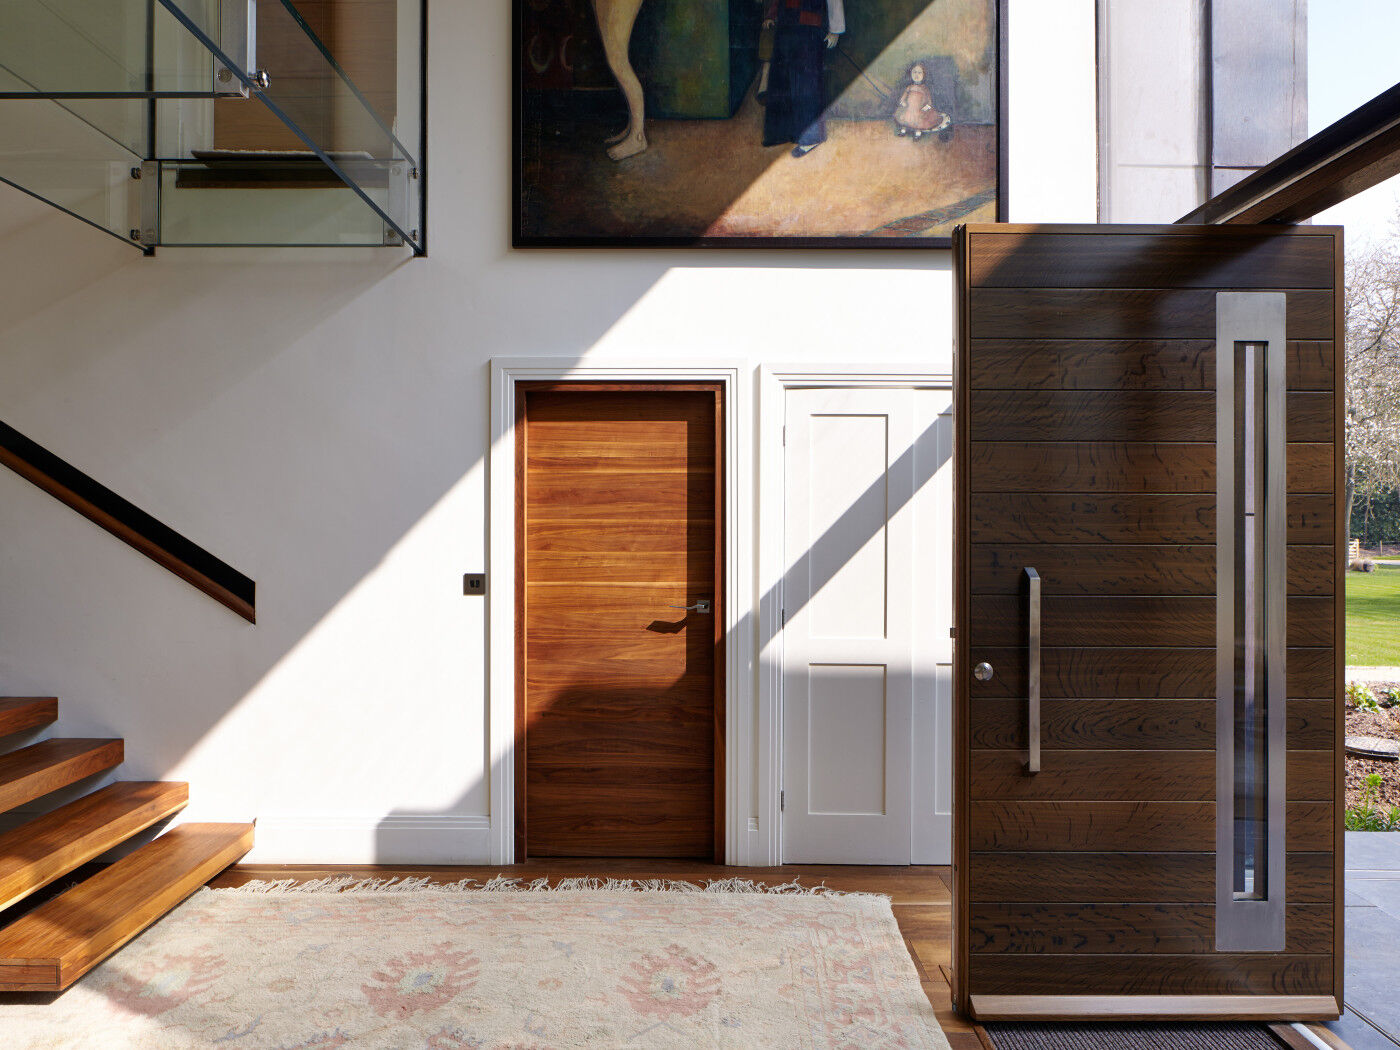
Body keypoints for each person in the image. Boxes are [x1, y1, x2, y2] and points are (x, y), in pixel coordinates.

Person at [761, 0, 845, 157]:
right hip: (786, 25)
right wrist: (771, 14)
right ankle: (782, 133)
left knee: (806, 83)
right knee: (781, 78)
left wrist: (835, 30)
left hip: (810, 28)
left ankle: (811, 138)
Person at [894, 62, 951, 141]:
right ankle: (903, 131)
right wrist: (903, 101)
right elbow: (904, 97)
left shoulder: (924, 89)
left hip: (919, 110)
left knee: (919, 122)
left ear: (924, 75)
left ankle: (917, 134)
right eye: (914, 72)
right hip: (909, 109)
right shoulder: (909, 87)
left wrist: (925, 108)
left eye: (919, 72)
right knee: (905, 119)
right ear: (911, 74)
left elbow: (929, 102)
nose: (916, 75)